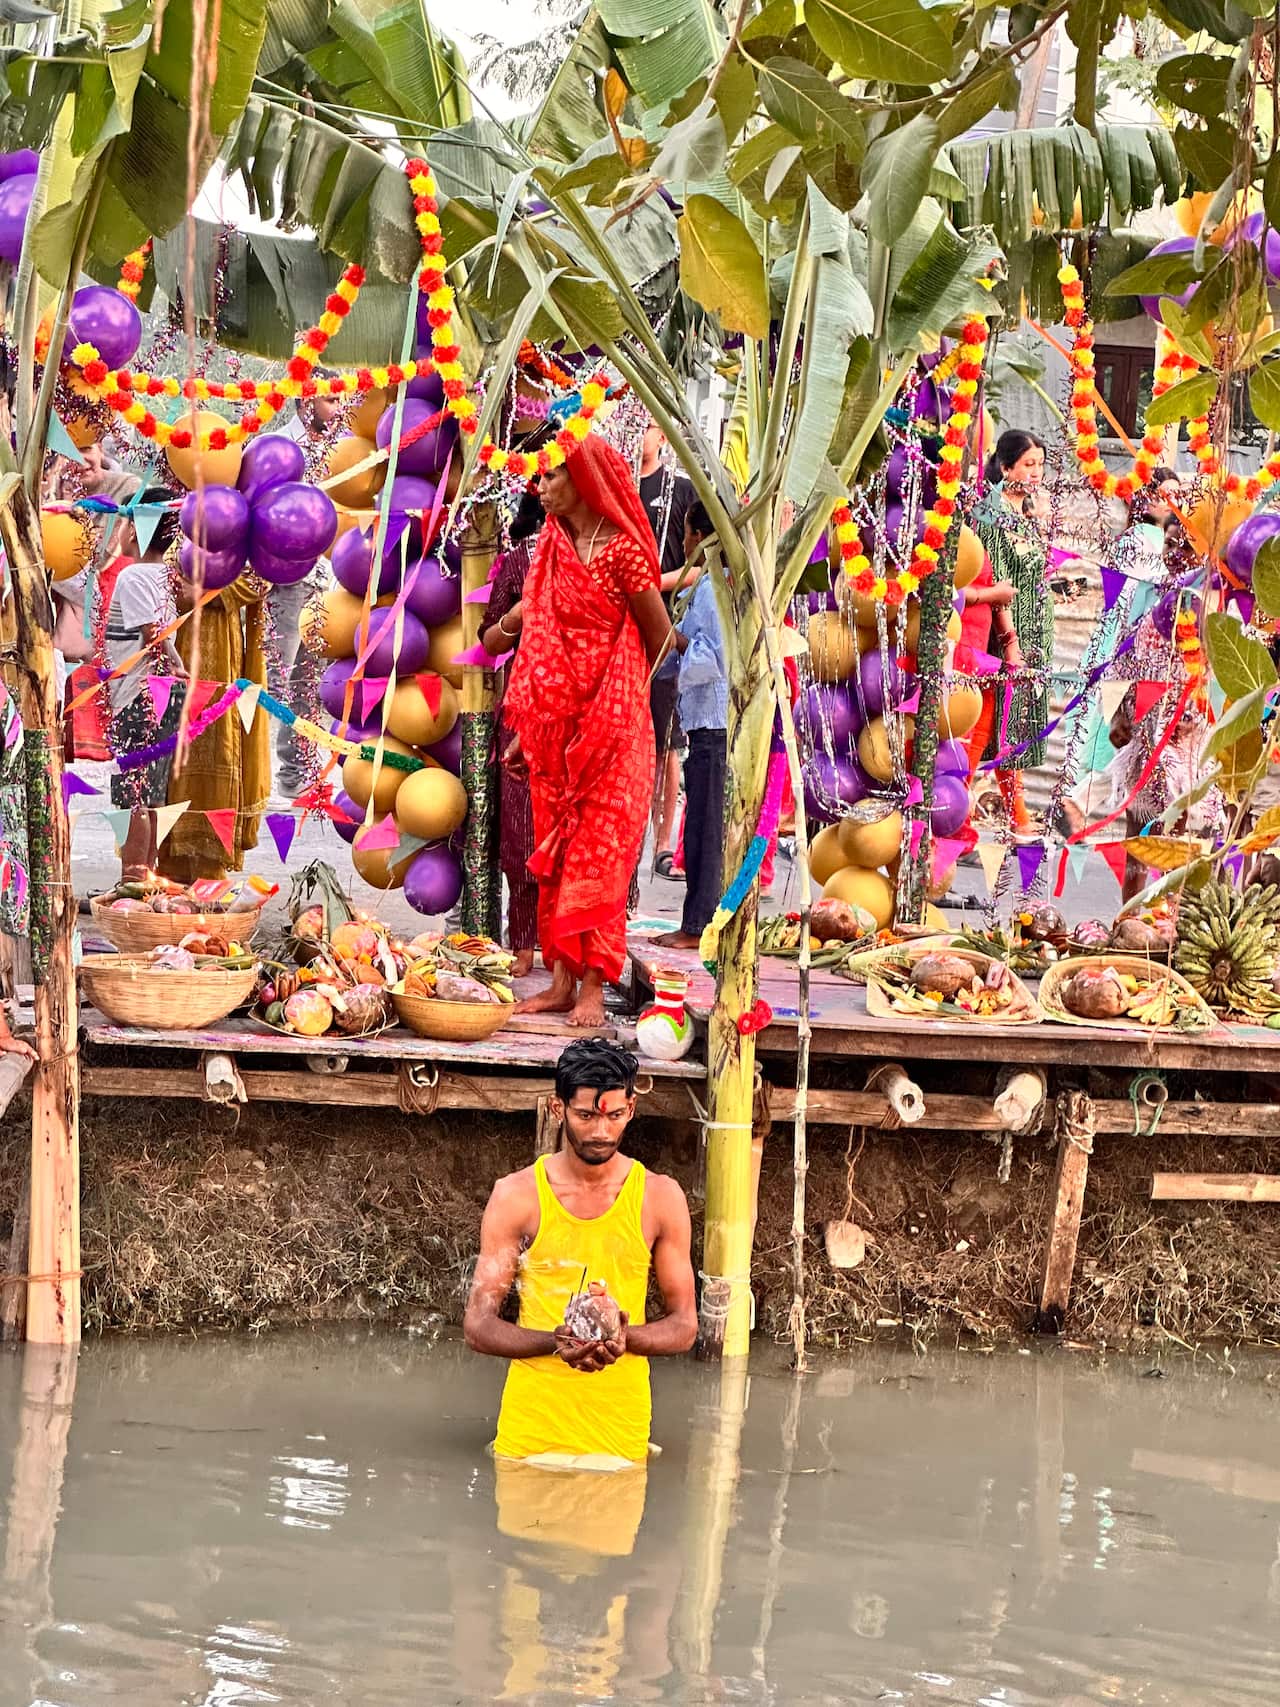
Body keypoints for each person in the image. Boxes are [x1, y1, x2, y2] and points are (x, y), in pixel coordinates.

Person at [504, 436, 678, 1029]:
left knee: (600, 855)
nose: (541, 487)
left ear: (584, 478)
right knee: (557, 855)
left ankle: (593, 989)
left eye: (551, 476)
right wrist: (527, 729)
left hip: (614, 733)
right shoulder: (550, 546)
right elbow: (536, 641)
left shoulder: (624, 552)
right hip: (555, 731)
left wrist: (619, 702)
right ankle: (560, 983)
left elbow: (661, 639)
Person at [464, 1039, 698, 1466]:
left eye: (614, 1115)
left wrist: (622, 1339)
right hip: (530, 1434)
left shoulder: (660, 1197)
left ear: (631, 1109)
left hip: (619, 1434)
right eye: (586, 1115)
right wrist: (557, 1343)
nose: (601, 1131)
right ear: (558, 1109)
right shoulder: (517, 1195)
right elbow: (478, 1326)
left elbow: (684, 1327)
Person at [158, 557, 271, 885]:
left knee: (216, 744)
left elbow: (261, 579)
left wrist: (207, 592)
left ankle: (209, 871)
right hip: (171, 655)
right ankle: (170, 868)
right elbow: (157, 574)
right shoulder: (177, 534)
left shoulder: (240, 537)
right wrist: (179, 589)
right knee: (168, 755)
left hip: (220, 659)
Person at [652, 502, 726, 949]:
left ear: (699, 537)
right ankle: (695, 922)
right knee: (698, 827)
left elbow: (710, 659)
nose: (681, 542)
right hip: (702, 723)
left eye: (684, 533)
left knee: (705, 830)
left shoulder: (715, 589)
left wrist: (670, 635)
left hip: (716, 725)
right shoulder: (704, 587)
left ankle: (699, 925)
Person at [480, 487, 545, 977]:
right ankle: (523, 943)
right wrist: (514, 619)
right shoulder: (520, 559)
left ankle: (569, 953)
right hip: (526, 702)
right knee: (522, 830)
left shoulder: (596, 554)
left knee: (575, 833)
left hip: (585, 707)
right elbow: (487, 639)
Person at [104, 500, 187, 879]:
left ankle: (133, 880)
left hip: (140, 693)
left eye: (124, 524)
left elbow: (152, 633)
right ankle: (145, 880)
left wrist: (175, 663)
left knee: (132, 792)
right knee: (150, 791)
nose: (119, 532)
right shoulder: (167, 575)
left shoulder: (133, 576)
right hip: (160, 692)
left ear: (137, 530)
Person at [269, 376, 343, 796]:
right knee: (276, 680)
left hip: (325, 576)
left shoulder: (341, 448)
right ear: (304, 402)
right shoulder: (280, 447)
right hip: (286, 579)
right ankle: (255, 775)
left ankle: (296, 774)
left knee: (308, 681)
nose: (338, 409)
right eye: (330, 400)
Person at [972, 430, 1050, 831]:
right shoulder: (992, 515)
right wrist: (1010, 644)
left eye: (1040, 465)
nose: (1036, 473)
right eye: (1028, 464)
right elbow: (997, 583)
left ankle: (1016, 812)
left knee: (1016, 724)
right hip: (1002, 636)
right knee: (990, 720)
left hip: (1033, 632)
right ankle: (960, 805)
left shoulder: (1026, 512)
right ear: (1005, 468)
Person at [638, 423, 695, 878]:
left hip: (667, 631)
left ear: (660, 435)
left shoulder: (680, 489)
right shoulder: (612, 485)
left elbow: (703, 564)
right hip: (620, 630)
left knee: (666, 741)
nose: (638, 432)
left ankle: (663, 845)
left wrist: (651, 585)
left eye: (647, 425)